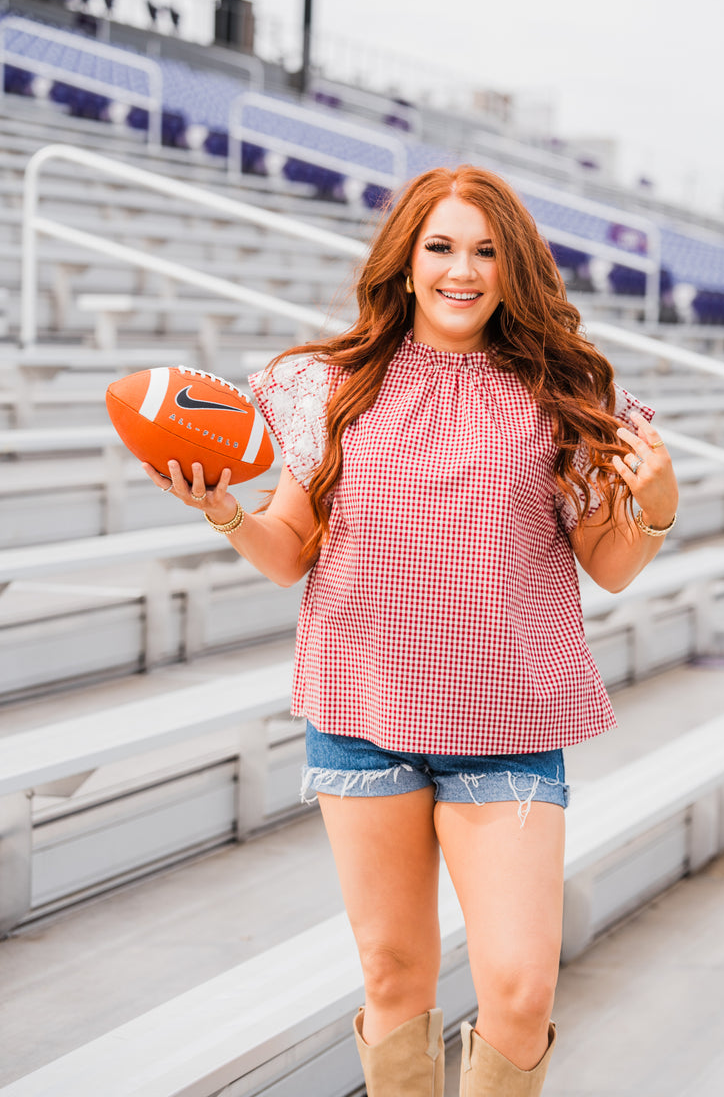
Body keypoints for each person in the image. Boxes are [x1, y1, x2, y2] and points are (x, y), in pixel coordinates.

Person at [144, 166, 679, 1096]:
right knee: (393, 974)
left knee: (518, 987)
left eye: (486, 251)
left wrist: (657, 508)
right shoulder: (327, 386)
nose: (461, 270)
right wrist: (225, 512)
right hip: (362, 714)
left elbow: (612, 564)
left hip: (506, 723)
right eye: (441, 247)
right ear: (405, 260)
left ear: (516, 269)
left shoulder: (560, 393)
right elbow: (288, 551)